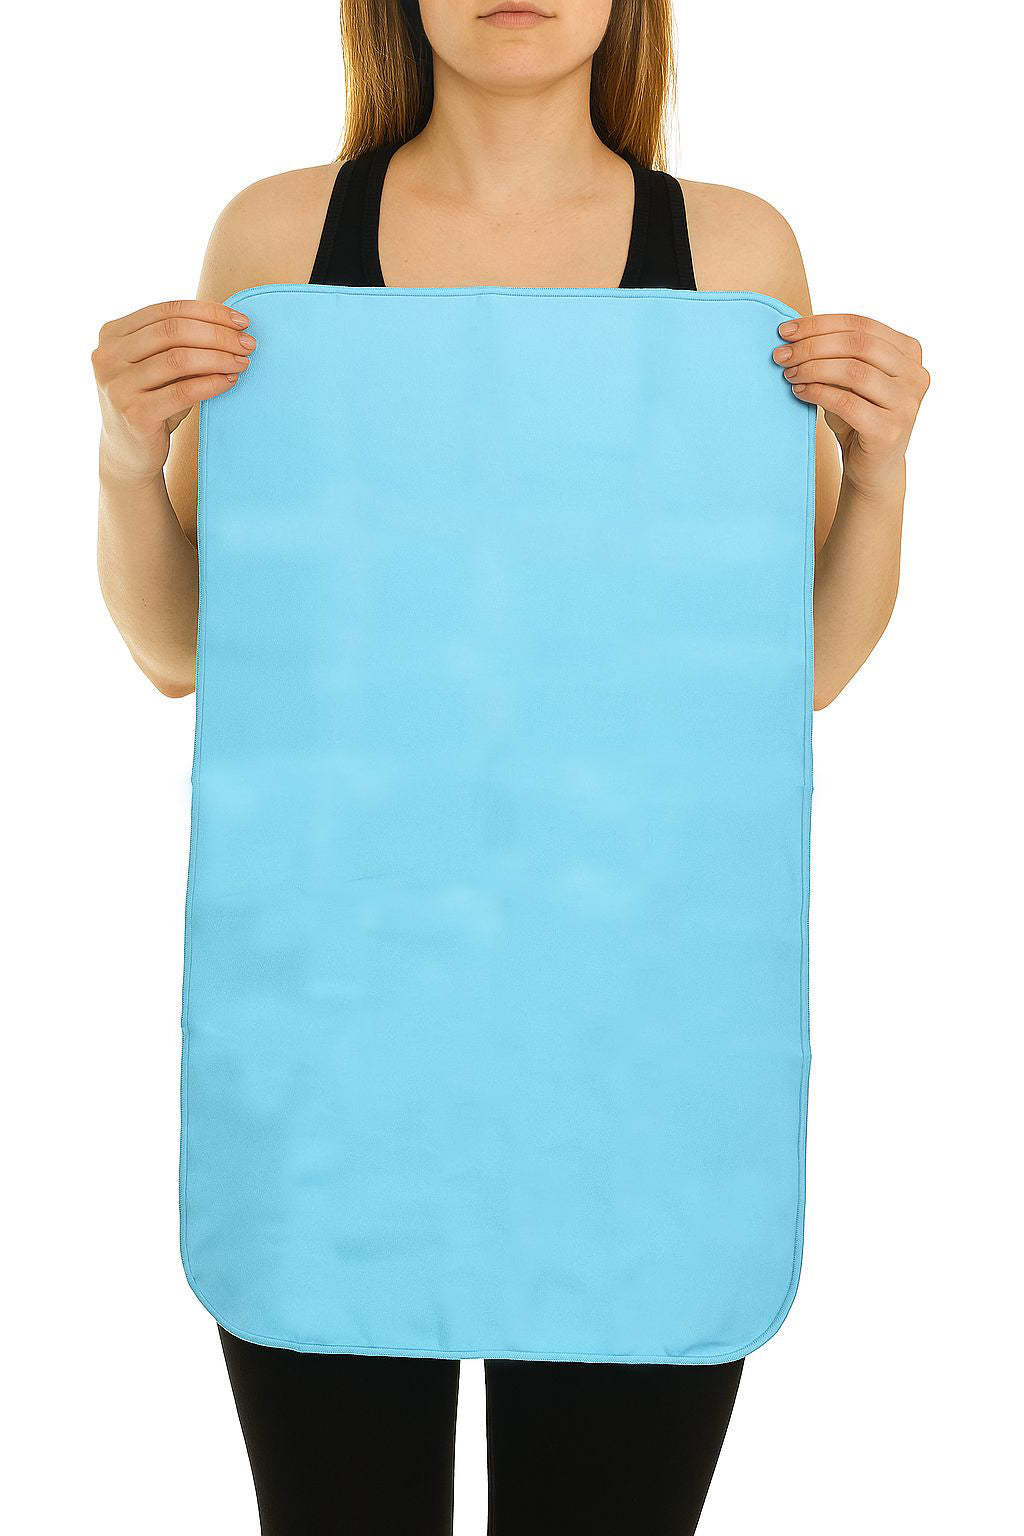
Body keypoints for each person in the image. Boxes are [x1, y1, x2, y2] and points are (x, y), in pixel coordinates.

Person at [91, 2, 929, 1531]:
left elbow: (793, 673)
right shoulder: (281, 239)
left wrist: (880, 475)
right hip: (342, 1034)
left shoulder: (733, 253)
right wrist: (121, 457)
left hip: (639, 1037)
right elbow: (181, 648)